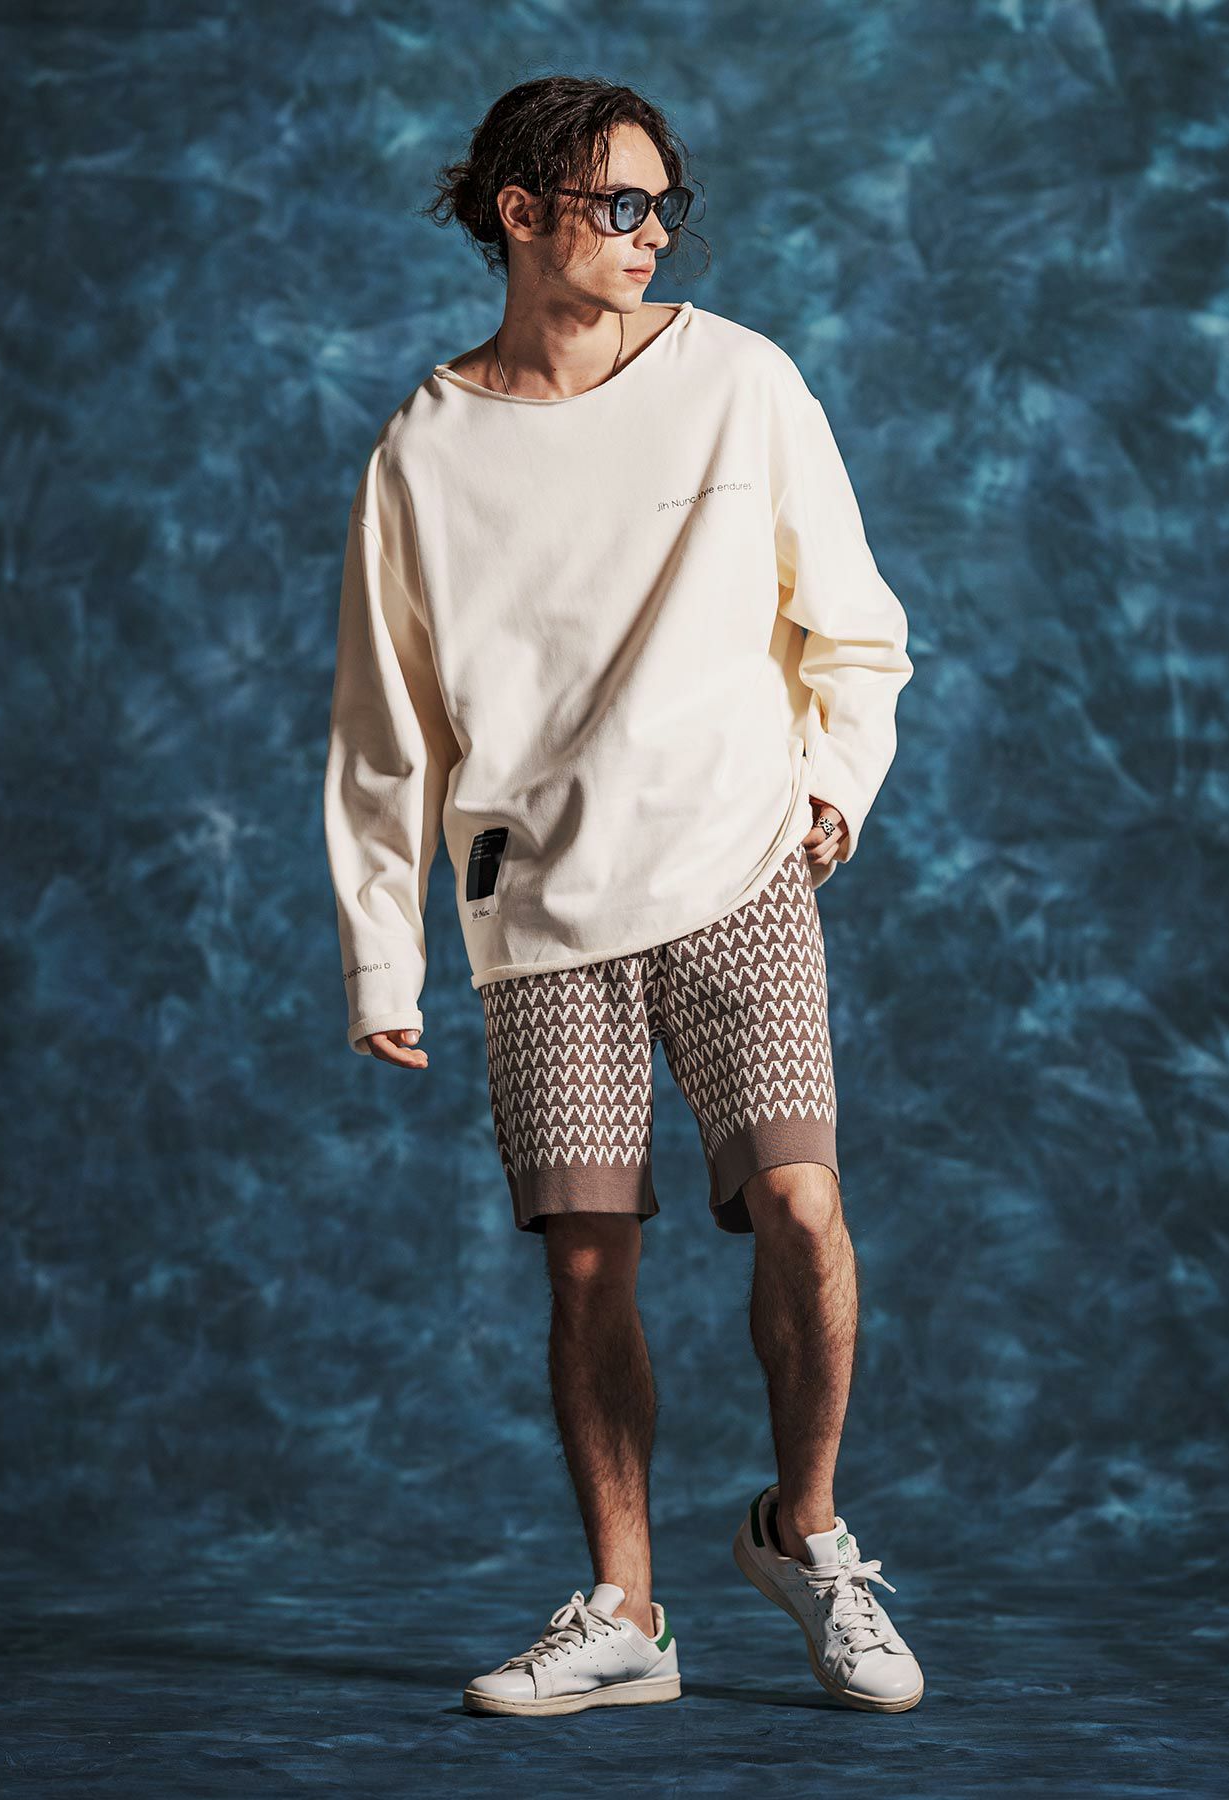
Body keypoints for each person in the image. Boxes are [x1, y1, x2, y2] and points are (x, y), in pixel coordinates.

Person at [322, 75, 922, 1718]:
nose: (654, 235)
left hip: (738, 869)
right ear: (523, 215)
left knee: (803, 1205)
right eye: (621, 205)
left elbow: (858, 628)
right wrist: (381, 956)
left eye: (665, 206)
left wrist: (833, 782)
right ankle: (627, 1617)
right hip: (539, 916)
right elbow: (386, 731)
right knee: (588, 1267)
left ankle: (807, 1534)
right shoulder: (424, 453)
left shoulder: (743, 382)